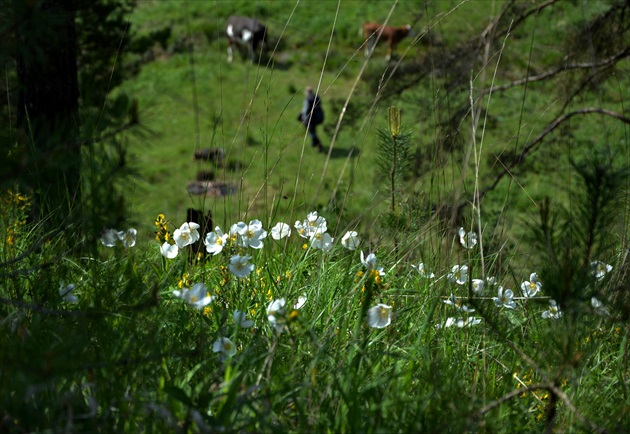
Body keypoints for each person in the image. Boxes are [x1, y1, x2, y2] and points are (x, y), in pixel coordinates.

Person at [298, 86, 325, 152]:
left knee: (312, 132)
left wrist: (301, 116)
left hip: (310, 119)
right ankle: (313, 142)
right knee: (312, 131)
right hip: (318, 117)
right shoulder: (316, 96)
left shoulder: (308, 99)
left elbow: (305, 110)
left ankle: (319, 146)